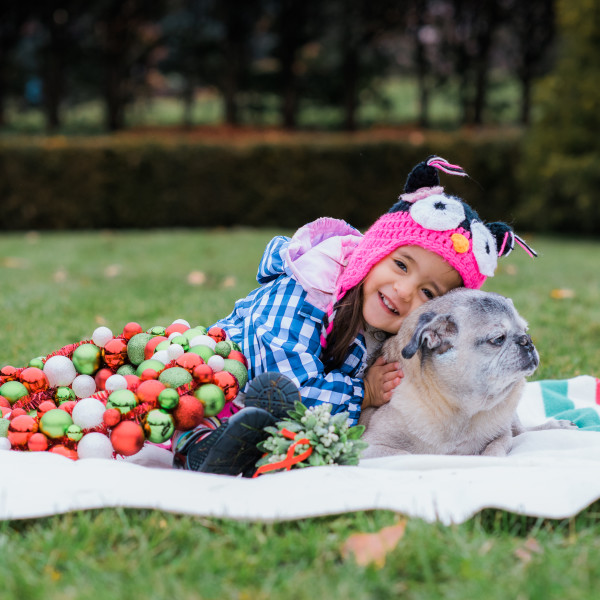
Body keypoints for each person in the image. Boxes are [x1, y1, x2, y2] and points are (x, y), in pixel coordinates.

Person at [173, 156, 536, 476]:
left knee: (283, 436)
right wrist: (361, 393)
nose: (405, 290)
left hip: (278, 403)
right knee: (195, 405)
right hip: (218, 370)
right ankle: (199, 447)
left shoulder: (393, 326)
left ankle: (254, 447)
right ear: (373, 252)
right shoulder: (304, 292)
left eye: (428, 293)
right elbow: (284, 385)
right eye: (400, 264)